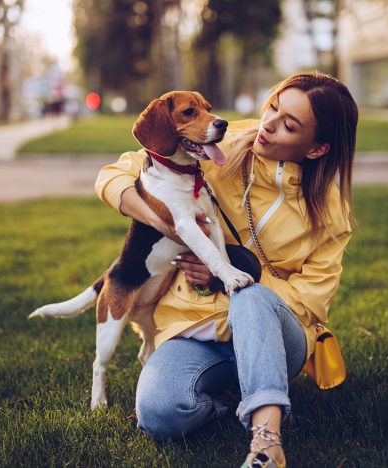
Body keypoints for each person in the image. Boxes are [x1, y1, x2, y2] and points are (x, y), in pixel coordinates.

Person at [95, 71, 357, 468]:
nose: (268, 124)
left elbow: (311, 301)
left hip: (278, 337)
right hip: (195, 327)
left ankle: (266, 440)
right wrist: (160, 220)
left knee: (249, 296)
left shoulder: (331, 210)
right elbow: (118, 171)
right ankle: (231, 399)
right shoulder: (221, 142)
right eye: (273, 107)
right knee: (159, 414)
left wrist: (227, 278)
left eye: (289, 124)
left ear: (318, 149)